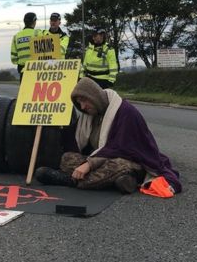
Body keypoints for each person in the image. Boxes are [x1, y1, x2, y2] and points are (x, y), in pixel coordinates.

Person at [35, 77, 182, 195]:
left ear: (94, 96)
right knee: (67, 158)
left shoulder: (126, 112)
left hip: (132, 160)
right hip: (101, 158)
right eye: (79, 104)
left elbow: (120, 147)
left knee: (117, 165)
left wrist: (89, 164)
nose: (83, 107)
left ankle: (70, 180)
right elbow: (76, 143)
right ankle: (120, 181)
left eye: (84, 101)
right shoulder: (91, 115)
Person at [10, 12, 45, 76]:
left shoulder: (16, 36)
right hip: (36, 68)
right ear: (34, 21)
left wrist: (21, 62)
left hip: (22, 68)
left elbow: (13, 57)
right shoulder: (38, 34)